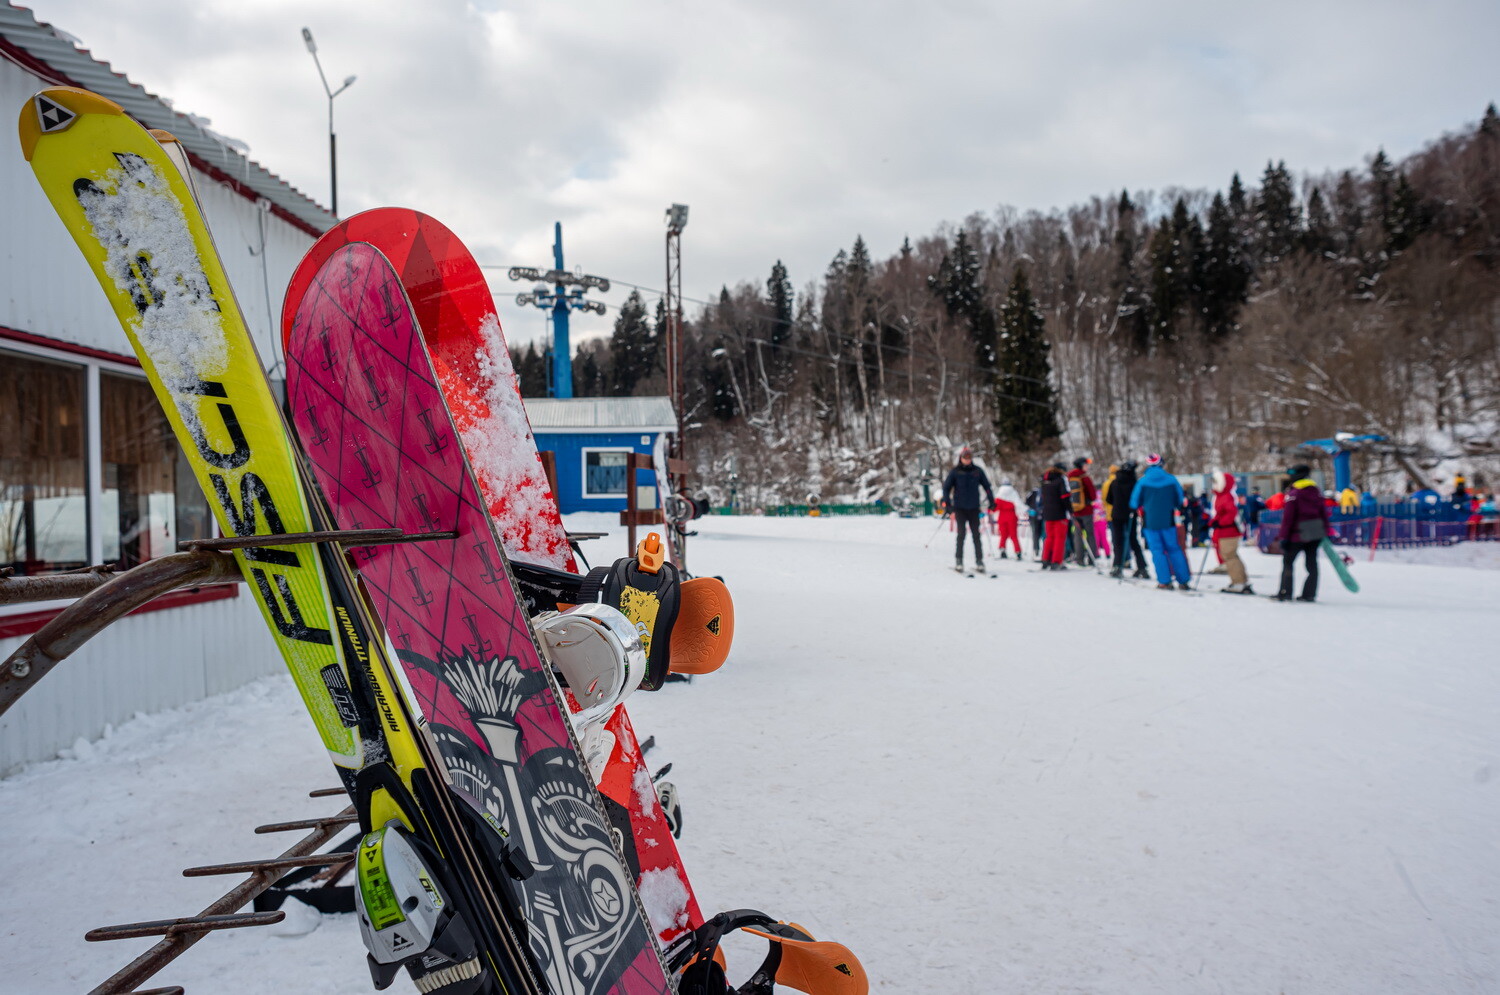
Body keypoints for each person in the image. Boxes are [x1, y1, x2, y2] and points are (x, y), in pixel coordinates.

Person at [1130, 453, 1192, 590]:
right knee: (1174, 549)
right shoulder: (1171, 480)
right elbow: (1180, 500)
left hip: (1150, 521)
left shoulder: (1143, 482)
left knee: (1157, 551)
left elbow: (1134, 503)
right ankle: (1183, 580)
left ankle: (1164, 581)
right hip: (1169, 520)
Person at [1276, 463, 1330, 602]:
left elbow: (1288, 517)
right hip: (1315, 530)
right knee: (1311, 563)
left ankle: (1285, 592)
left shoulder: (1294, 493)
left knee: (1288, 561)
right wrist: (1325, 530)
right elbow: (1323, 512)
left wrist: (1284, 536)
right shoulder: (1315, 491)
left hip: (1298, 532)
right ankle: (1309, 594)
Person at [943, 447, 995, 573]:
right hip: (960, 508)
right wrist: (949, 506)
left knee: (976, 535)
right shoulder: (955, 472)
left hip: (973, 508)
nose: (967, 460)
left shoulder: (977, 471)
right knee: (961, 535)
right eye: (965, 458)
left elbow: (987, 487)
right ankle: (959, 560)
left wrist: (992, 501)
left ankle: (979, 561)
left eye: (969, 458)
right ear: (961, 458)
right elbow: (946, 488)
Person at [1103, 460, 1148, 579]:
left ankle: (1117, 566)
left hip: (1117, 514)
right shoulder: (1134, 483)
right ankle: (1142, 567)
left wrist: (1118, 503)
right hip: (1130, 514)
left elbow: (1108, 499)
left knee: (1118, 541)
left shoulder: (1115, 482)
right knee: (1133, 540)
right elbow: (1139, 499)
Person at [1210, 471, 1253, 594]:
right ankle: (1241, 580)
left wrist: (1220, 522)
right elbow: (1220, 513)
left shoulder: (1226, 496)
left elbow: (1231, 513)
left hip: (1228, 531)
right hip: (1225, 530)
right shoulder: (1221, 496)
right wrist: (1212, 523)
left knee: (1229, 556)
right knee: (1231, 556)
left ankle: (1238, 582)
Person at [1065, 457, 1098, 565]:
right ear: (1081, 465)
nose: (1087, 467)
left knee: (1077, 535)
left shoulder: (1068, 477)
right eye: (1086, 465)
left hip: (1074, 511)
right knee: (1090, 534)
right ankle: (1092, 558)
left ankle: (1079, 559)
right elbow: (1093, 495)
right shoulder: (1084, 477)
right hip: (1086, 510)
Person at [1039, 464, 1072, 570]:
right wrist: (1070, 510)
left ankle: (1046, 559)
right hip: (1060, 513)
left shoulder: (1045, 481)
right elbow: (1065, 496)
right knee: (1059, 538)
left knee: (1049, 537)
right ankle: (1056, 561)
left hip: (1047, 513)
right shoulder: (1061, 480)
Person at [994, 481, 1023, 559]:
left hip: (1002, 517)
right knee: (1013, 535)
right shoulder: (1013, 494)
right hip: (1012, 517)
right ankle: (1018, 552)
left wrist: (989, 510)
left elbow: (994, 508)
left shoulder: (999, 494)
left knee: (1003, 535)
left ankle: (1002, 550)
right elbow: (1019, 505)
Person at [1025, 484, 1043, 560]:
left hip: (1033, 516)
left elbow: (1026, 503)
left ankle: (1036, 550)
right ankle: (1039, 550)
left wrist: (1029, 510)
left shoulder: (1031, 493)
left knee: (1035, 533)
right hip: (1041, 515)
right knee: (1041, 533)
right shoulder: (1041, 492)